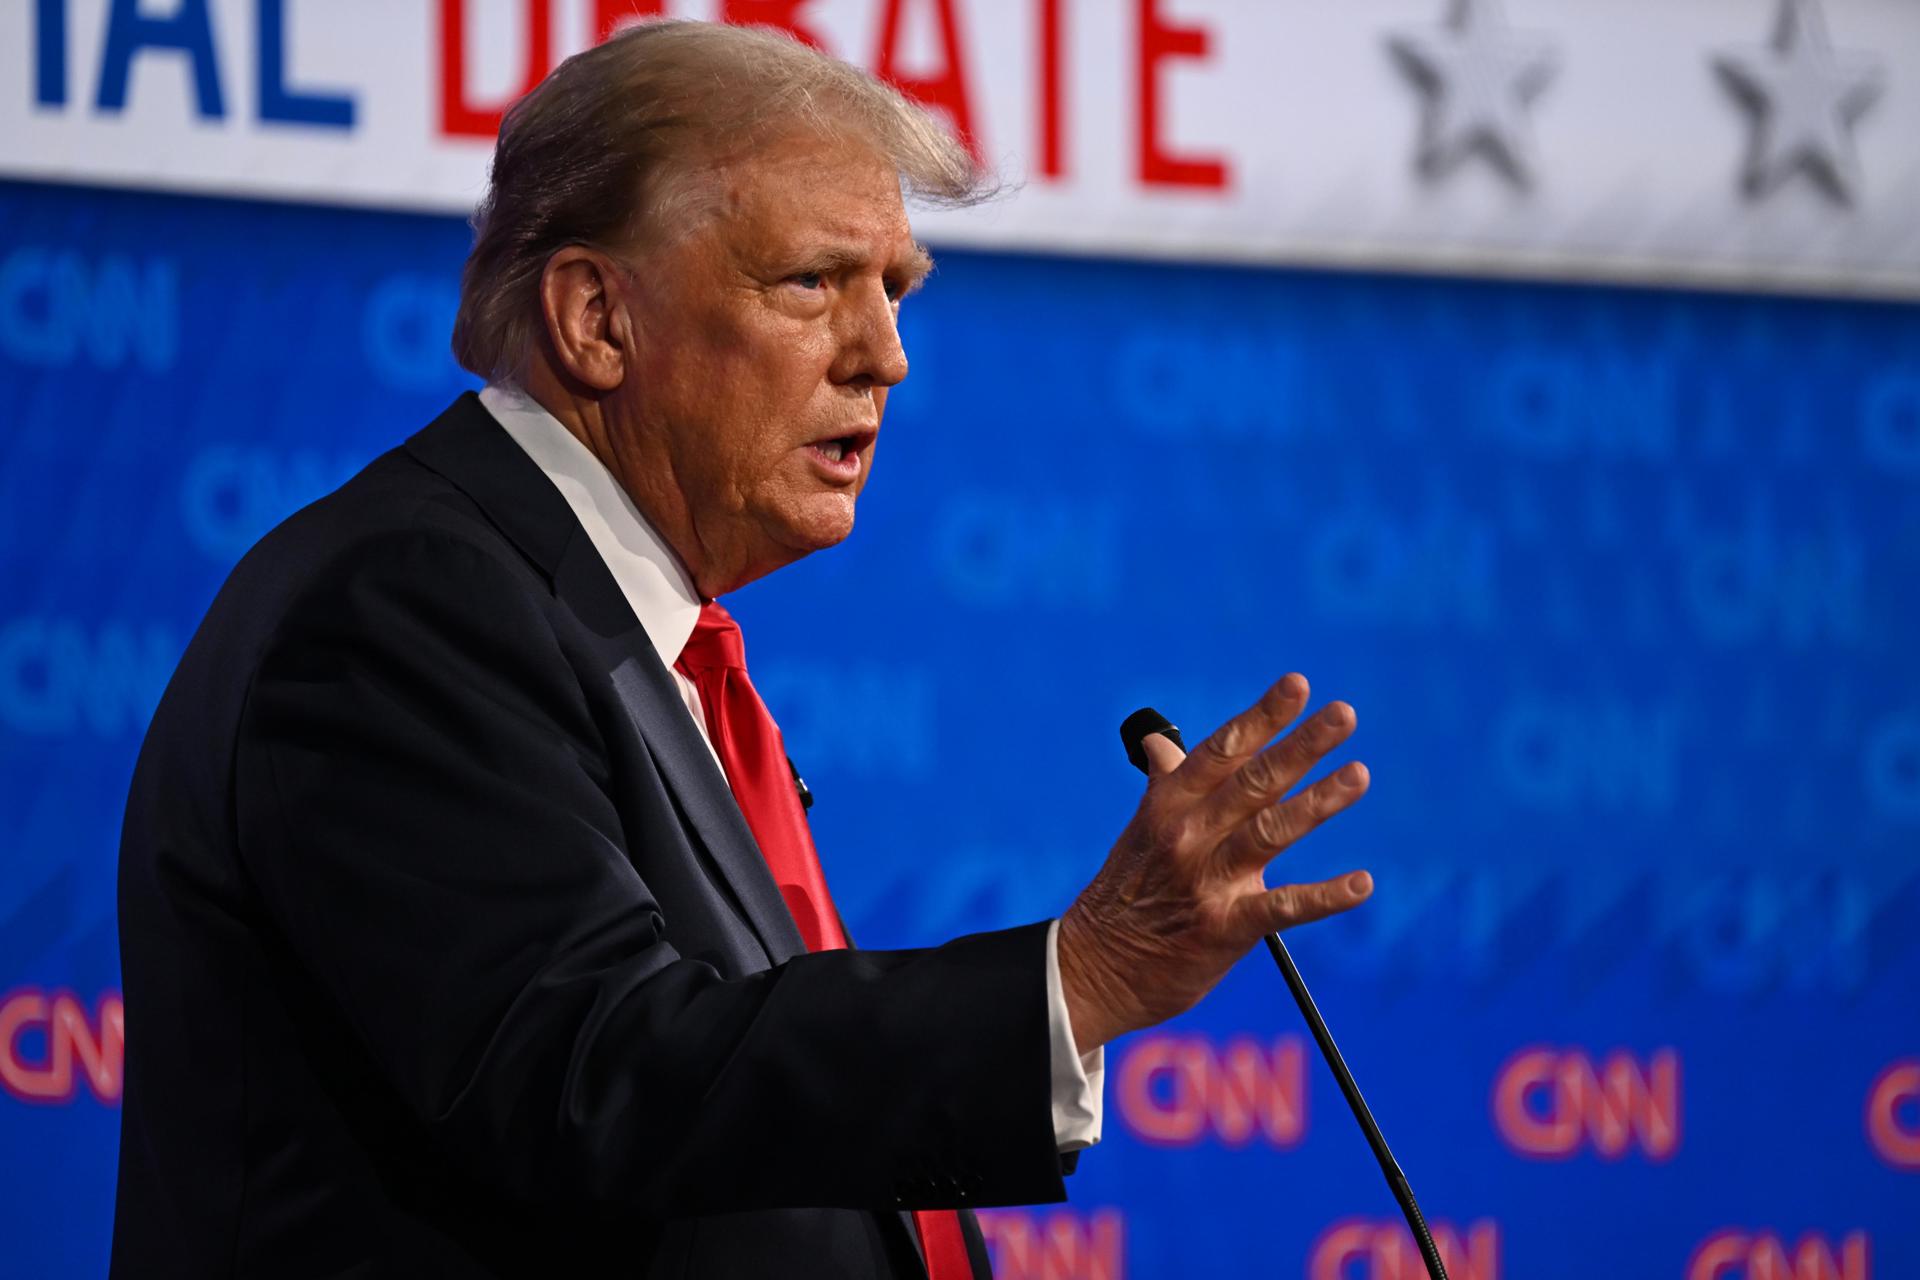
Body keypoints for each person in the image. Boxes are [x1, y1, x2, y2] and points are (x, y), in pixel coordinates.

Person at [111, 20, 1375, 1279]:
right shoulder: (404, 603)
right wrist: (1080, 973)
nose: (886, 354)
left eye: (897, 288)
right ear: (597, 318)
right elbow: (591, 1076)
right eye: (813, 282)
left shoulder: (627, 636)